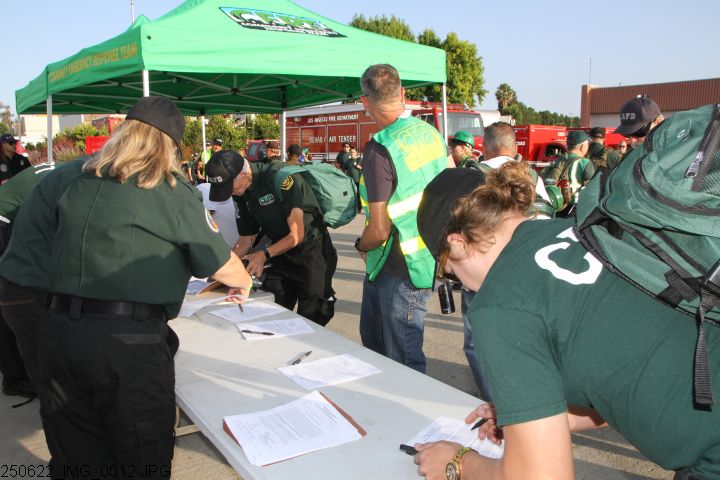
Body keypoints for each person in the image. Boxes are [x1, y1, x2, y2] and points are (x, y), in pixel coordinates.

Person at [413, 162, 720, 480]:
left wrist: (457, 463)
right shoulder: (584, 226)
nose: (464, 285)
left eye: (450, 273)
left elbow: (542, 476)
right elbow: (623, 379)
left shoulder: (499, 303)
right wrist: (539, 416)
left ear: (456, 243)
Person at [37, 96, 252, 478]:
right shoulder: (169, 189)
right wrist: (244, 280)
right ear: (170, 145)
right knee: (142, 458)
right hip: (127, 345)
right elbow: (221, 263)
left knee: (76, 460)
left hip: (58, 334)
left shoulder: (80, 181)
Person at [354, 64, 446, 373]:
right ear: (402, 93)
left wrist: (361, 245)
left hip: (397, 266)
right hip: (427, 257)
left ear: (365, 101)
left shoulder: (381, 148)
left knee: (402, 362)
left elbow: (379, 230)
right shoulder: (430, 133)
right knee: (395, 353)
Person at [206, 149, 338, 326]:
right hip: (278, 252)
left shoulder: (281, 179)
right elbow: (246, 240)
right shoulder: (240, 193)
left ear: (242, 175)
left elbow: (296, 235)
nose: (228, 194)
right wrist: (223, 268)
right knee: (271, 308)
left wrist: (263, 255)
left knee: (313, 315)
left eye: (228, 188)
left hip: (311, 251)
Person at [0, 162, 57, 399]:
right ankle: (15, 379)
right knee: (11, 301)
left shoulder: (60, 170)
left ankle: (16, 375)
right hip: (3, 221)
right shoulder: (71, 179)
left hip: (8, 217)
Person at [541, 130, 595, 216]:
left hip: (557, 207)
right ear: (582, 147)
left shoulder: (558, 160)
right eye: (587, 144)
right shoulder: (585, 163)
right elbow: (590, 190)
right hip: (575, 209)